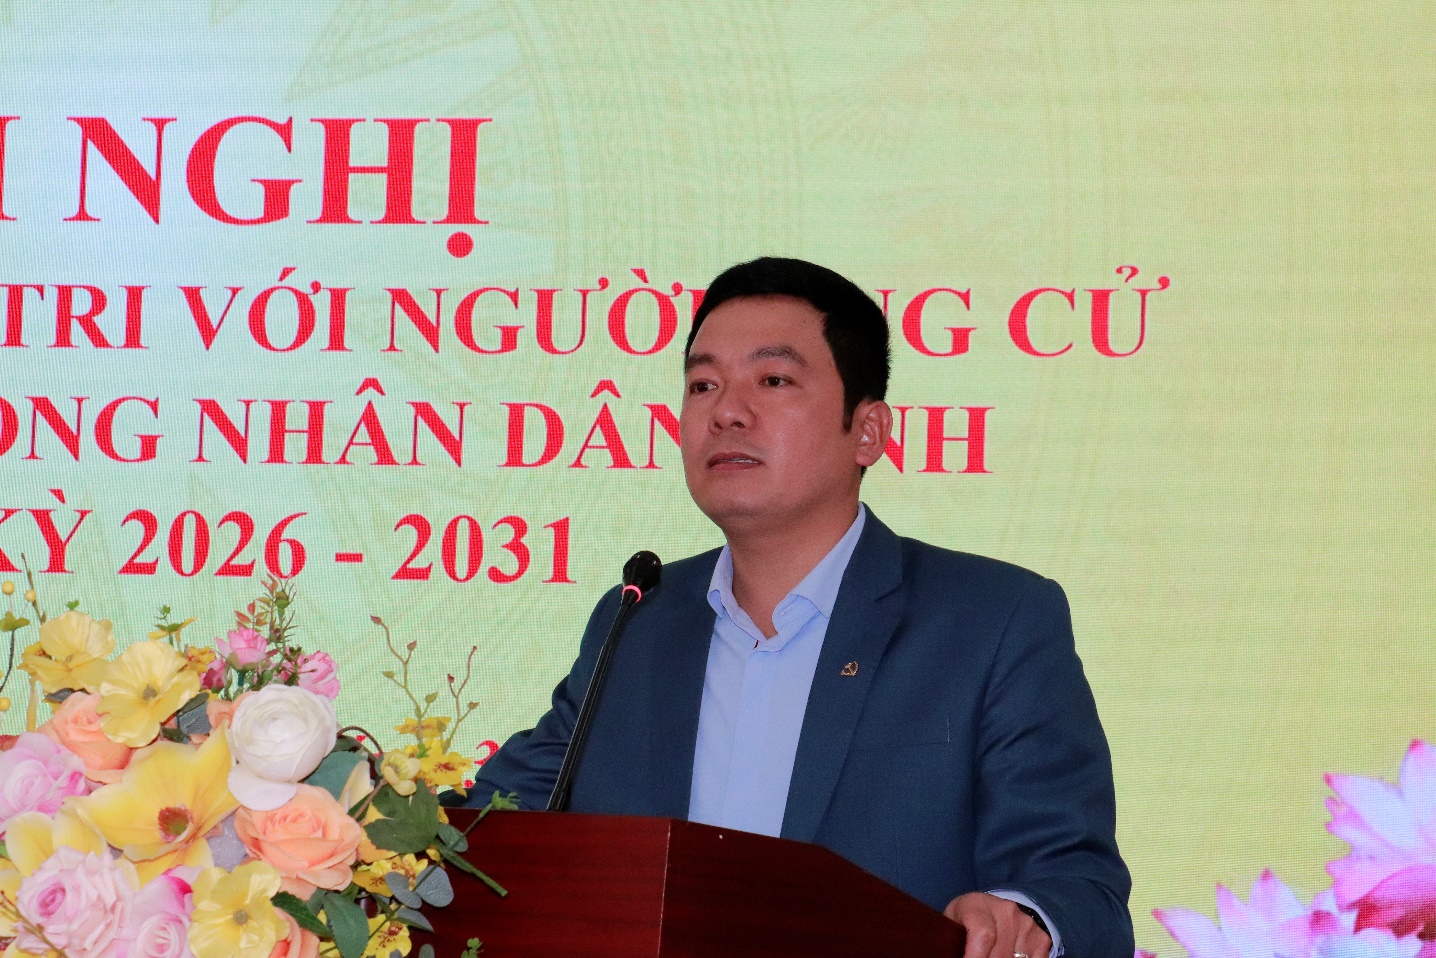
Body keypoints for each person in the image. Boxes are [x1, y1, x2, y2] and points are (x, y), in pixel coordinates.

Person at [467, 257, 1134, 958]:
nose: (726, 411)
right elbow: (496, 826)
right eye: (702, 384)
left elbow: (1076, 885)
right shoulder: (637, 618)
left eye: (773, 380)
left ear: (868, 431)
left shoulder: (993, 620)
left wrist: (1023, 918)